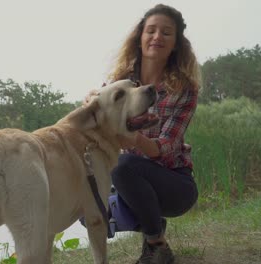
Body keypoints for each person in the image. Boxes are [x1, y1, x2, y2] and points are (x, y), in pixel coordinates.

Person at [84, 4, 200, 264]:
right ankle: (153, 227)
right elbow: (97, 122)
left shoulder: (185, 88)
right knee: (88, 200)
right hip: (127, 181)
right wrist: (91, 103)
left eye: (166, 33)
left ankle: (156, 244)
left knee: (123, 165)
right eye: (151, 30)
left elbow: (167, 146)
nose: (157, 37)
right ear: (140, 37)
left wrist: (133, 139)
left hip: (175, 183)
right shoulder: (119, 81)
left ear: (176, 44)